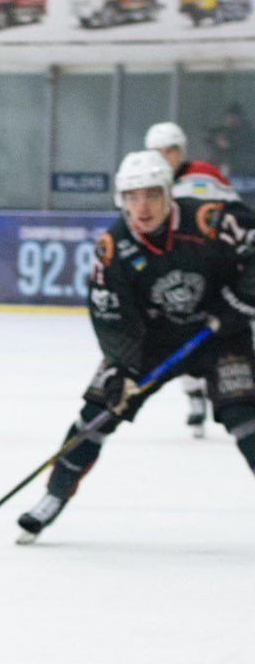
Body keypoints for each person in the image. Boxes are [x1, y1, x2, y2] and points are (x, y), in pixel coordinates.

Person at [15, 150, 255, 541]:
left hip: (219, 334)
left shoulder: (210, 221)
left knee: (245, 417)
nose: (142, 207)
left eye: (151, 195)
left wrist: (240, 302)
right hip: (152, 344)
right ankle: (53, 496)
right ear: (120, 200)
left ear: (168, 195)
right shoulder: (114, 250)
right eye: (132, 197)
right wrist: (121, 370)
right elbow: (112, 318)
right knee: (97, 413)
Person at [146, 121, 236, 433]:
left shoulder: (206, 175)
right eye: (159, 151)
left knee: (227, 335)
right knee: (179, 336)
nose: (165, 157)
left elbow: (235, 212)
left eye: (171, 150)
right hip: (176, 274)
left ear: (181, 150)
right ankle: (194, 396)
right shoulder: (146, 182)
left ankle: (229, 397)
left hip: (216, 270)